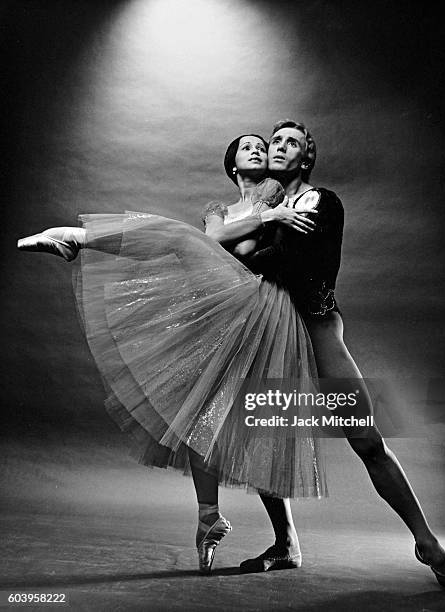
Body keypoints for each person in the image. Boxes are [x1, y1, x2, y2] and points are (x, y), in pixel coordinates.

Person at [17, 133, 321, 575]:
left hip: (261, 304)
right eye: (246, 148)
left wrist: (271, 211)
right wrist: (267, 217)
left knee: (179, 238)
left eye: (263, 146)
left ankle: (76, 237)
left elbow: (275, 241)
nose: (257, 150)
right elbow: (215, 237)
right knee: (202, 419)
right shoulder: (219, 211)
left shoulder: (276, 194)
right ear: (233, 167)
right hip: (222, 307)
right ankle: (208, 519)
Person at [236, 119, 445, 591]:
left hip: (316, 330)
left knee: (367, 439)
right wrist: (260, 226)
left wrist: (250, 249)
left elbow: (298, 265)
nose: (279, 148)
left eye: (291, 143)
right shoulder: (267, 208)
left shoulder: (321, 202)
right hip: (271, 331)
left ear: (306, 158)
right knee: (259, 436)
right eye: (275, 141)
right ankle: (286, 544)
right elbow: (243, 257)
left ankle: (426, 540)